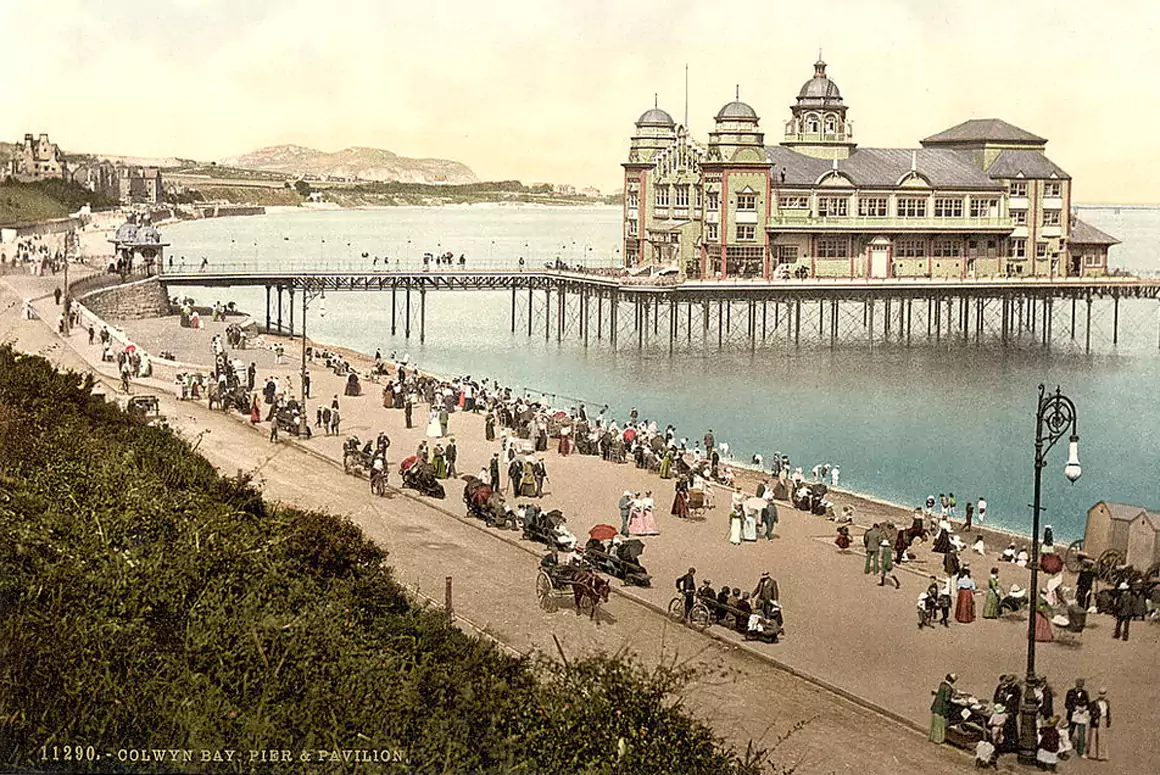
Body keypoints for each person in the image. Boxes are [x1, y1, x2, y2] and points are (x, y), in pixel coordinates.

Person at [929, 673, 957, 744]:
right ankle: (938, 739)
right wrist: (953, 697)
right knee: (940, 724)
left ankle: (932, 737)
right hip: (942, 708)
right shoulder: (949, 688)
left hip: (936, 706)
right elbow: (947, 699)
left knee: (935, 723)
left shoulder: (942, 684)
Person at [1086, 689, 1110, 761]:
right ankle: (1092, 754)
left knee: (1102, 737)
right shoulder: (1094, 703)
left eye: (1103, 694)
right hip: (1096, 720)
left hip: (1103, 720)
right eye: (1101, 693)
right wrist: (1095, 717)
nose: (1102, 695)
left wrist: (1108, 721)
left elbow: (1108, 712)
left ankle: (1102, 755)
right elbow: (1090, 712)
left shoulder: (1107, 702)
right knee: (1093, 736)